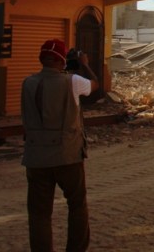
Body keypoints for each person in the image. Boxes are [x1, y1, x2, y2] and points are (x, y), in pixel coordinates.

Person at [21, 39, 98, 252]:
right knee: (77, 205)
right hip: (68, 156)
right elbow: (95, 84)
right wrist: (84, 64)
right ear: (62, 60)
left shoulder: (27, 83)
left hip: (36, 158)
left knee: (39, 213)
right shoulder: (73, 81)